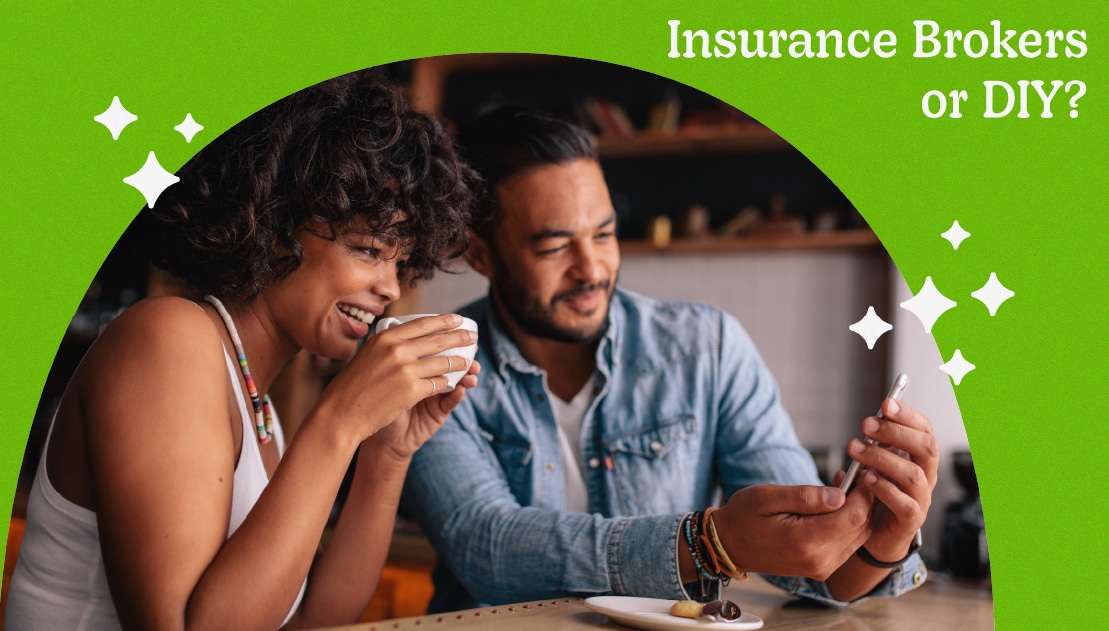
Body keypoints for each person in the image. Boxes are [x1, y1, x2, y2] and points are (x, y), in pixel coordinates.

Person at [402, 108, 938, 612]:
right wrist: (707, 542)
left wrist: (878, 541)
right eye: (554, 246)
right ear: (480, 253)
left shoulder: (708, 348)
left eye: (605, 234)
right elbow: (485, 547)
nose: (591, 269)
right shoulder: (434, 364)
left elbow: (813, 563)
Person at [6, 70, 482, 630]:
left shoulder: (259, 408)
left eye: (400, 263)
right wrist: (339, 422)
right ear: (275, 227)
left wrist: (386, 453)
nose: (391, 288)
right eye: (369, 249)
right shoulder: (167, 339)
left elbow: (312, 620)